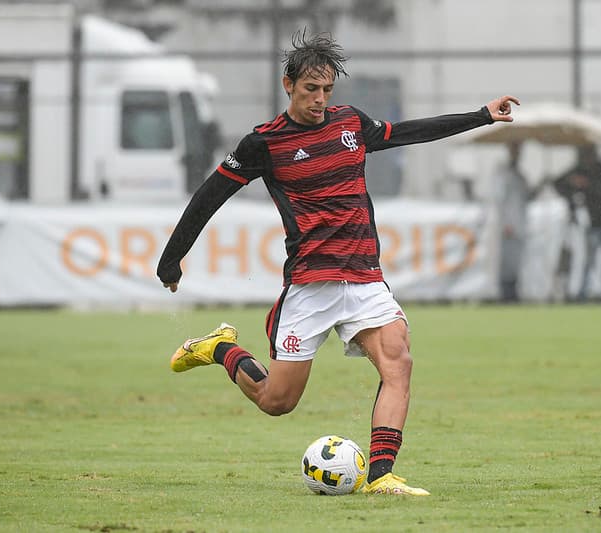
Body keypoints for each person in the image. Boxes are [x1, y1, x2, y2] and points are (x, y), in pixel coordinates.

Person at [157, 30, 520, 496]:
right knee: (276, 401)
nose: (320, 99)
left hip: (364, 277)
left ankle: (380, 476)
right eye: (311, 89)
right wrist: (173, 258)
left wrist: (480, 116)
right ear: (287, 84)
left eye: (327, 90)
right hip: (311, 284)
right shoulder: (263, 144)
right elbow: (209, 196)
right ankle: (219, 348)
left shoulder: (350, 124)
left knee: (399, 362)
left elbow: (406, 132)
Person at [552, 144, 601, 302]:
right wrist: (572, 188)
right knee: (589, 261)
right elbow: (558, 183)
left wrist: (585, 184)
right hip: (594, 223)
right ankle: (584, 292)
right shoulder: (579, 170)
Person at [493, 141, 543, 302]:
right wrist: (506, 223)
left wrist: (542, 183)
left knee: (516, 260)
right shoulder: (503, 174)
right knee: (508, 261)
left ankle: (513, 291)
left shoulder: (520, 174)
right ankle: (506, 293)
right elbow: (500, 200)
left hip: (520, 223)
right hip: (510, 225)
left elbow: (528, 196)